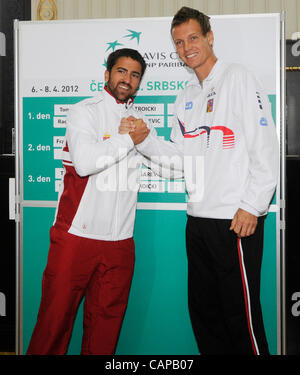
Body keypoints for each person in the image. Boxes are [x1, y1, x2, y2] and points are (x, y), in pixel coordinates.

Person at [122, 7, 279, 355]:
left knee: (242, 319)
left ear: (209, 37)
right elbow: (181, 162)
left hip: (235, 221)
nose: (186, 47)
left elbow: (265, 146)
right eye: (179, 42)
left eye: (192, 38)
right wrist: (144, 140)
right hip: (198, 220)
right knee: (205, 315)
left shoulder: (238, 77)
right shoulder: (186, 97)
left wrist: (252, 205)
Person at [26, 48, 149, 355]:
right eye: (121, 71)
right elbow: (84, 163)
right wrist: (127, 139)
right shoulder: (85, 111)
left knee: (105, 333)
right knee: (53, 326)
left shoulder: (140, 120)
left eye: (135, 75)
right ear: (107, 74)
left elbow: (163, 160)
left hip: (120, 241)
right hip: (76, 236)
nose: (127, 79)